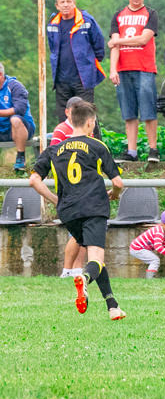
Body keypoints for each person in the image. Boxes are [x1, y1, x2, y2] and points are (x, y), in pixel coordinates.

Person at [29, 100, 126, 321]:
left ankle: (113, 307)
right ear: (91, 123)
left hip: (69, 212)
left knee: (96, 257)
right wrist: (114, 195)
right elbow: (118, 183)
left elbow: (34, 180)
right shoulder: (97, 146)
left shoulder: (53, 150)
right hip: (93, 207)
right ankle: (83, 278)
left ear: (71, 120)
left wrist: (55, 199)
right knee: (96, 259)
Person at [109, 0, 160, 163]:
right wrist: (112, 69)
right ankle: (132, 151)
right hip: (123, 69)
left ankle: (153, 149)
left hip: (144, 68)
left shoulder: (151, 14)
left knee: (148, 111)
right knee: (129, 113)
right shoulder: (118, 15)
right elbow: (114, 46)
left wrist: (118, 41)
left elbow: (143, 39)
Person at [46, 0, 106, 137]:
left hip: (83, 78)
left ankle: (96, 148)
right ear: (57, 5)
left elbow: (99, 44)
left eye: (69, 1)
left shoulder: (86, 20)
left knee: (87, 115)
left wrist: (89, 64)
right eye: (62, 2)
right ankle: (66, 149)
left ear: (74, 3)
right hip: (61, 78)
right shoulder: (53, 23)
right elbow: (52, 46)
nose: (66, 5)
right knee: (64, 116)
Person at [53, 96, 90, 278]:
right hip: (70, 188)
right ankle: (67, 270)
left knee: (83, 232)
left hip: (84, 188)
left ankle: (77, 269)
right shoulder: (61, 130)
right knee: (75, 232)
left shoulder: (86, 130)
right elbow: (54, 158)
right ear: (67, 112)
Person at [0, 62, 36, 171]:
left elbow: (19, 109)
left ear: (0, 75)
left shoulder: (15, 86)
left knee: (15, 119)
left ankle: (21, 158)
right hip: (2, 129)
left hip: (22, 128)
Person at [128, 209, 165, 278]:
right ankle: (150, 280)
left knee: (154, 260)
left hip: (138, 248)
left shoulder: (163, 232)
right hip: (137, 248)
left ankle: (151, 278)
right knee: (154, 260)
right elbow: (158, 247)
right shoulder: (159, 232)